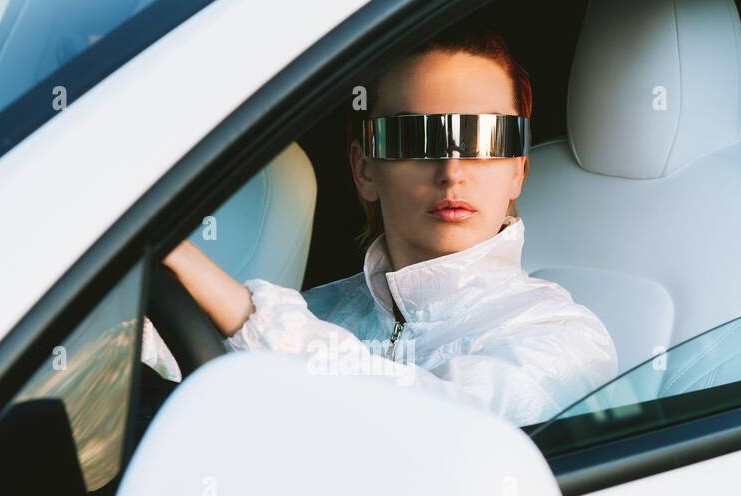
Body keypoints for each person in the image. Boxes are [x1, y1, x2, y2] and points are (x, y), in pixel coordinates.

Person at [155, 25, 618, 427]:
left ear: (518, 168)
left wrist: (239, 309)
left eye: (483, 138)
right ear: (364, 169)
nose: (451, 171)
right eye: (415, 138)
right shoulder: (320, 311)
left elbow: (442, 430)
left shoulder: (565, 339)